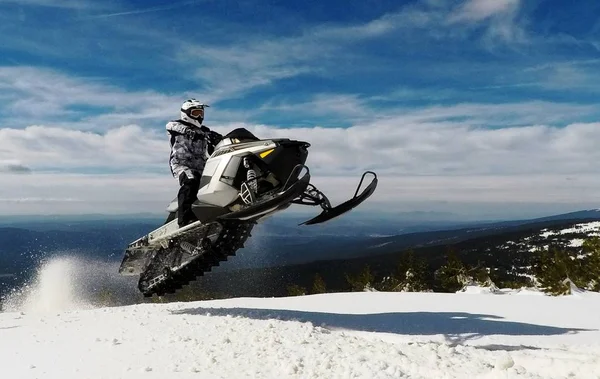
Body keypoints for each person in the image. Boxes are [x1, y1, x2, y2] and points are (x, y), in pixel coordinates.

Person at [166, 99, 223, 227]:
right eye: (196, 113)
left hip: (202, 167)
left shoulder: (205, 131)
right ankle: (184, 221)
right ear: (186, 114)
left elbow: (213, 147)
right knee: (190, 182)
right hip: (182, 164)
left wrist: (219, 139)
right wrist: (188, 131)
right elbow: (170, 126)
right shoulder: (176, 126)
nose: (199, 117)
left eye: (201, 113)